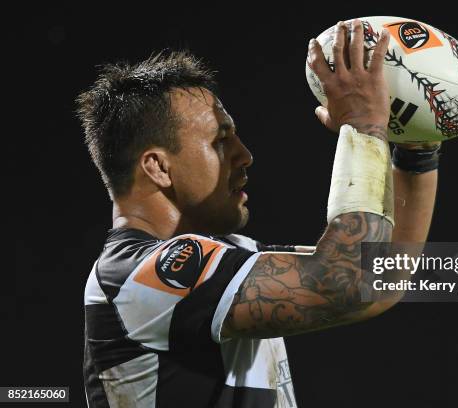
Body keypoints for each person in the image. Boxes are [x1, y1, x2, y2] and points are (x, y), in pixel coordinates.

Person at [77, 19, 439, 408]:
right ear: (158, 167)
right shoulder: (140, 276)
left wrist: (417, 150)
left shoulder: (223, 257)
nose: (244, 156)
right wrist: (363, 126)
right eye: (220, 140)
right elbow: (345, 285)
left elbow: (377, 278)